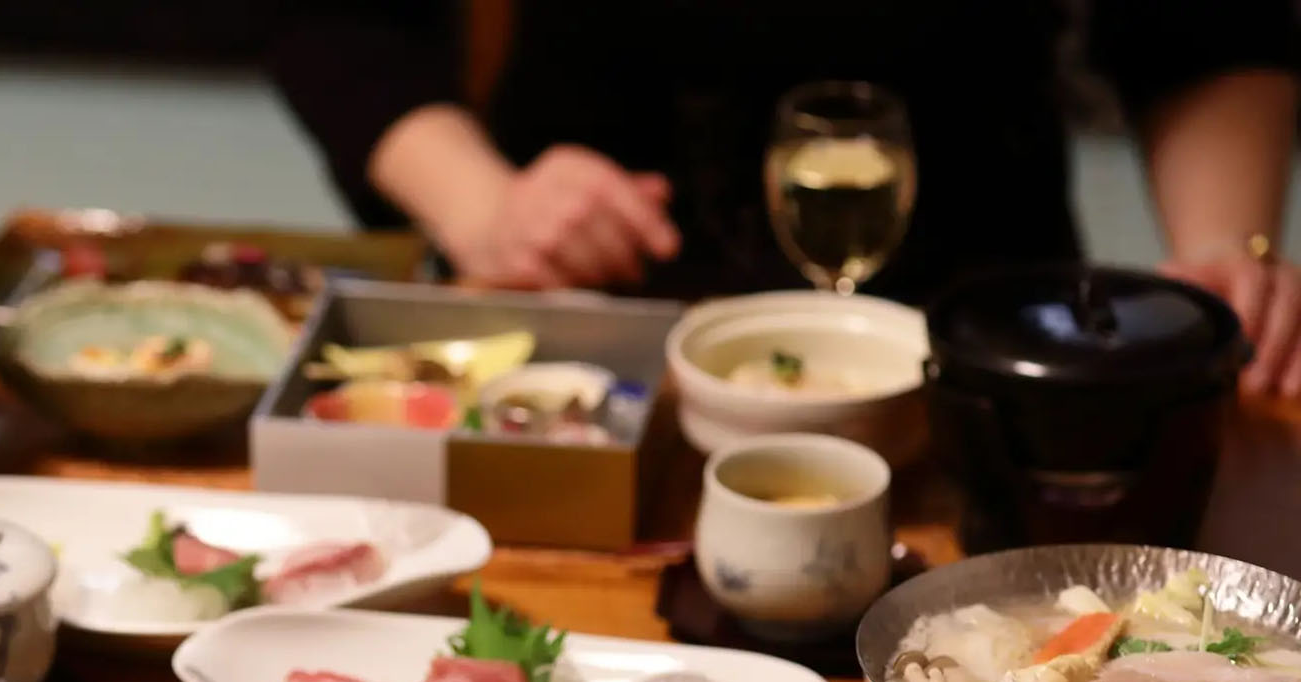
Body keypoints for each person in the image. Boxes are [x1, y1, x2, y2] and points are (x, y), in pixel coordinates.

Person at [273, 1, 1301, 395]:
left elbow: (1205, 25)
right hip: (595, 321)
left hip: (988, 339)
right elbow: (339, 24)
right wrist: (483, 201)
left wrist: (1223, 247)